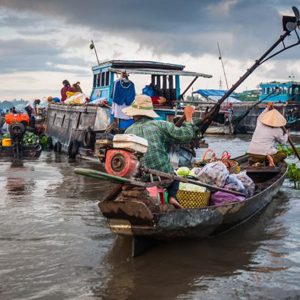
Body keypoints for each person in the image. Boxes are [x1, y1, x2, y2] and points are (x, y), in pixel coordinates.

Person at [123, 94, 196, 208]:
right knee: (175, 176)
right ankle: (172, 197)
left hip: (139, 177)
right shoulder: (161, 125)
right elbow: (187, 135)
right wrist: (189, 117)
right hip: (163, 177)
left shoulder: (127, 131)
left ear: (134, 114)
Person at [247, 102, 288, 166]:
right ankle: (271, 162)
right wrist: (286, 134)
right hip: (263, 153)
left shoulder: (260, 123)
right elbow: (283, 142)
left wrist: (267, 108)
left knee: (263, 154)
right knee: (283, 154)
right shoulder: (277, 130)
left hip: (251, 151)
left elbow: (261, 115)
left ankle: (257, 162)